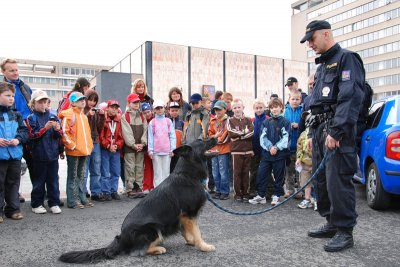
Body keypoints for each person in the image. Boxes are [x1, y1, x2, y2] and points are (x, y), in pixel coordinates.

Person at [300, 20, 365, 252]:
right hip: (319, 131)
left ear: (326, 34)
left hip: (337, 132)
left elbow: (350, 98)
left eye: (312, 39)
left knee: (338, 181)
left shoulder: (347, 59)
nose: (310, 44)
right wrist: (311, 132)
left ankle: (345, 231)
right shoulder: (322, 66)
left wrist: (336, 131)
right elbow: (315, 104)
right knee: (323, 182)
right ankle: (331, 222)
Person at [26, 90, 62, 214]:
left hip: (53, 155)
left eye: (45, 101)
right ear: (33, 103)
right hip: (38, 155)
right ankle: (36, 204)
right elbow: (31, 136)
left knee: (53, 181)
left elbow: (59, 135)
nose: (43, 104)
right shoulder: (30, 118)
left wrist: (57, 129)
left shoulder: (53, 116)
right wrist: (45, 128)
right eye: (40, 102)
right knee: (39, 181)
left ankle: (54, 203)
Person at [1, 59, 32, 202]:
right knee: (9, 168)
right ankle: (13, 197)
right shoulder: (2, 87)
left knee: (32, 164)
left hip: (26, 129)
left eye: (16, 69)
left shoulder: (25, 87)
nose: (15, 72)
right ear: (3, 72)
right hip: (9, 129)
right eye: (11, 70)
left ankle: (38, 195)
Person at [249, 98, 290, 206]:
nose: (274, 109)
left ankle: (276, 195)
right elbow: (262, 137)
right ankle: (261, 195)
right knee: (262, 174)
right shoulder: (266, 122)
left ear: (281, 107)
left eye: (276, 107)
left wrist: (276, 147)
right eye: (272, 107)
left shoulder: (285, 122)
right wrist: (270, 147)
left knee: (278, 175)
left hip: (280, 154)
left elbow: (286, 138)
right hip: (267, 154)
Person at [59, 92, 94, 209]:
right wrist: (72, 146)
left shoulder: (83, 116)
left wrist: (89, 147)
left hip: (84, 151)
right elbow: (64, 132)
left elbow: (87, 134)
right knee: (73, 176)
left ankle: (81, 198)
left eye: (83, 99)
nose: (83, 101)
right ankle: (73, 201)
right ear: (72, 102)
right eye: (80, 100)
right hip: (74, 151)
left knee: (81, 175)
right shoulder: (69, 114)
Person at [0, 82, 28, 222]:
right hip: (1, 155)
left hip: (15, 155)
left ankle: (13, 209)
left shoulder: (16, 115)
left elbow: (24, 131)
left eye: (13, 95)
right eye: (7, 95)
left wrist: (17, 139)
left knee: (13, 182)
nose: (11, 98)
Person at [227, 99, 254, 202]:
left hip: (247, 150)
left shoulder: (248, 119)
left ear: (243, 107)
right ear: (232, 109)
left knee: (246, 172)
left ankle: (246, 193)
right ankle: (238, 194)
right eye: (235, 107)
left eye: (239, 107)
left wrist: (239, 136)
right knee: (237, 172)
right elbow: (231, 133)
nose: (237, 109)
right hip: (236, 151)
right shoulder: (230, 120)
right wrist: (244, 132)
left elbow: (251, 133)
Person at [121, 93, 148, 198]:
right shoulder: (125, 116)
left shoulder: (142, 116)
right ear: (129, 103)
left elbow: (145, 130)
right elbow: (126, 132)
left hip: (140, 147)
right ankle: (130, 188)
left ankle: (139, 187)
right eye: (134, 102)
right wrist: (133, 144)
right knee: (130, 167)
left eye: (138, 102)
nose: (137, 104)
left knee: (139, 167)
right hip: (129, 148)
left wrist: (143, 143)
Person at [83, 89, 106, 202]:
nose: (92, 103)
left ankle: (96, 192)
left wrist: (102, 116)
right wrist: (88, 115)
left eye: (94, 101)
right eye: (90, 100)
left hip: (95, 142)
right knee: (84, 169)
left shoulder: (96, 112)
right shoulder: (82, 111)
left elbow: (100, 128)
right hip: (85, 142)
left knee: (96, 168)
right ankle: (82, 192)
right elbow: (82, 126)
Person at [99, 100, 124, 201]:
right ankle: (106, 191)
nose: (114, 110)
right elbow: (101, 136)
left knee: (116, 171)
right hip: (106, 149)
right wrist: (108, 145)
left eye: (116, 108)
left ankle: (114, 190)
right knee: (105, 171)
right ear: (107, 108)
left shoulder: (119, 121)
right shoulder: (103, 120)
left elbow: (121, 137)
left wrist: (117, 146)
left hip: (116, 150)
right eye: (112, 107)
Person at [147, 100, 176, 187]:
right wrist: (150, 151)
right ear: (154, 110)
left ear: (164, 108)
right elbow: (150, 137)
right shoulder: (152, 122)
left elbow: (172, 135)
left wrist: (172, 149)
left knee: (166, 173)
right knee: (157, 173)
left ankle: (166, 190)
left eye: (161, 108)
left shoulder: (168, 121)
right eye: (157, 108)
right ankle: (157, 191)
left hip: (167, 152)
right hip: (156, 152)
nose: (159, 110)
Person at [208, 100, 231, 200]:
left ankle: (224, 191)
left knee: (223, 172)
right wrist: (215, 137)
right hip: (214, 151)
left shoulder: (228, 121)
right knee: (215, 172)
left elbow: (226, 135)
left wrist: (215, 138)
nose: (217, 111)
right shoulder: (212, 121)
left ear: (225, 110)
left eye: (220, 109)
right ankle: (218, 190)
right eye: (216, 110)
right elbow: (209, 134)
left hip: (224, 150)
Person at [283, 91, 303, 198]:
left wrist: (298, 125)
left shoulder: (303, 111)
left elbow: (305, 124)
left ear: (300, 100)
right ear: (289, 100)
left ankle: (300, 190)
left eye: (297, 99)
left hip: (300, 147)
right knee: (288, 170)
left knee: (299, 170)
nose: (295, 101)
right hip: (288, 147)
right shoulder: (285, 111)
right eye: (293, 99)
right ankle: (289, 189)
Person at [249, 99, 270, 198]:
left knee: (266, 171)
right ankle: (252, 189)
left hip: (265, 150)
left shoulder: (268, 119)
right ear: (253, 109)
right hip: (254, 150)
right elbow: (249, 136)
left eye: (261, 108)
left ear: (264, 108)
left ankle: (269, 190)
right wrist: (250, 149)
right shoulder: (252, 121)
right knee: (253, 171)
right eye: (257, 108)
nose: (259, 110)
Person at [296, 111, 314, 209]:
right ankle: (307, 199)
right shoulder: (303, 134)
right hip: (305, 162)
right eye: (307, 120)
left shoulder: (320, 132)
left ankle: (317, 199)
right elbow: (299, 147)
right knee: (306, 181)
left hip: (316, 161)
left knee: (318, 181)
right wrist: (298, 158)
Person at [141, 102, 154, 194]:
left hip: (155, 148)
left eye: (148, 112)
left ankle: (153, 186)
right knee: (147, 168)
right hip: (145, 148)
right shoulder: (142, 122)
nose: (147, 114)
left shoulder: (155, 121)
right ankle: (146, 186)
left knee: (154, 167)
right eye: (144, 113)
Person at [167, 101, 184, 172]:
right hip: (168, 150)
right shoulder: (166, 122)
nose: (174, 112)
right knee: (169, 168)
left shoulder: (182, 122)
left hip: (178, 149)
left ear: (179, 111)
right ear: (168, 111)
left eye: (176, 110)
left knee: (177, 168)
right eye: (172, 110)